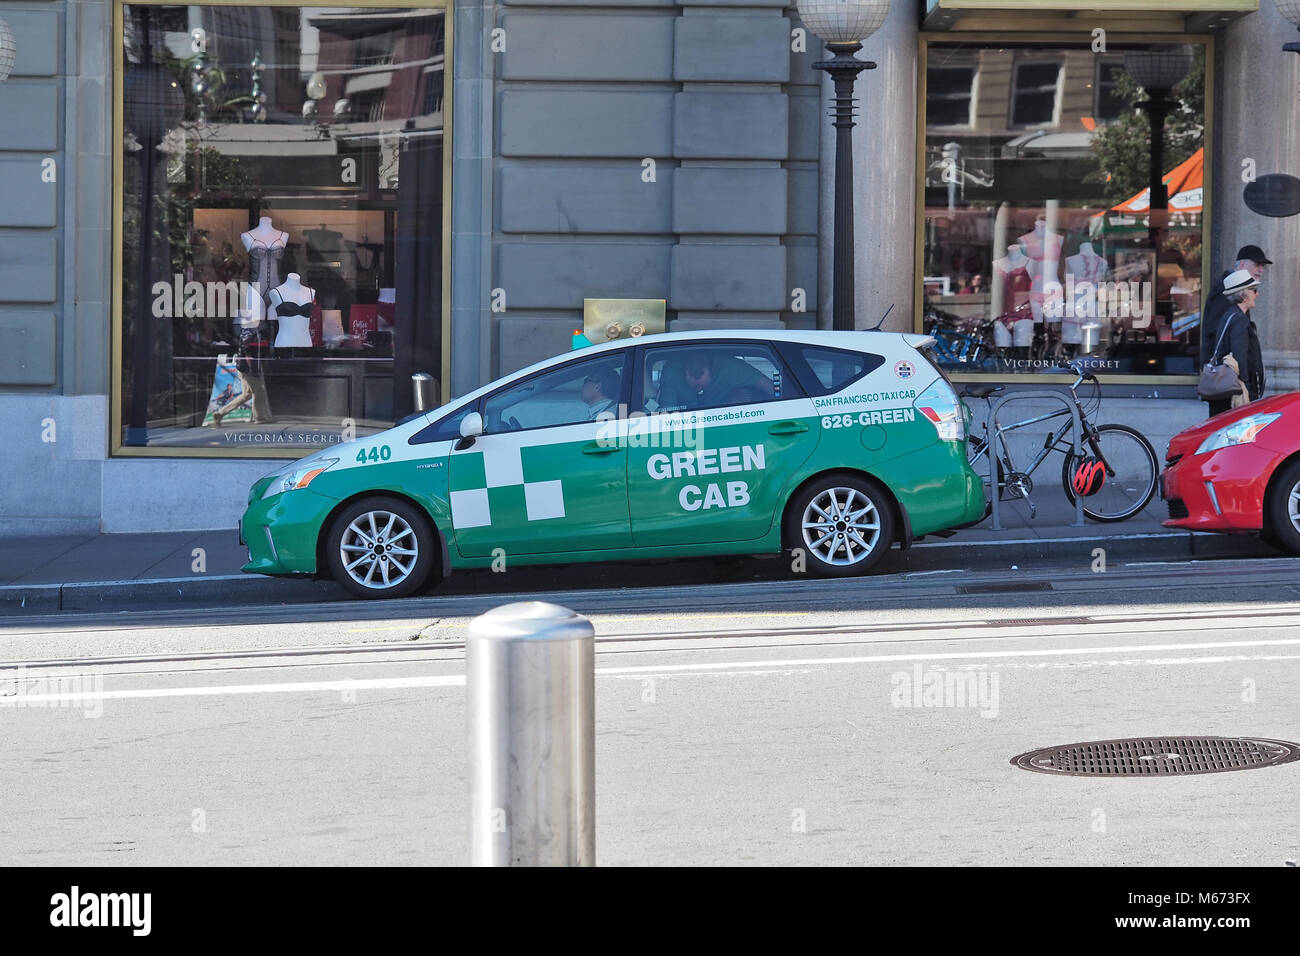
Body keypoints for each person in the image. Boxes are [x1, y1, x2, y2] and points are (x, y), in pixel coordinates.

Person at [1200, 244, 1271, 368]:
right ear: (1242, 264)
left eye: (1263, 266)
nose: (1261, 270)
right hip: (1226, 373)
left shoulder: (1235, 286)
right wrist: (1238, 372)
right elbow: (1216, 332)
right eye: (1257, 264)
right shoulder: (1228, 288)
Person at [1206, 269, 1265, 418]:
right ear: (1243, 294)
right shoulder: (1239, 319)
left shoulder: (1230, 315)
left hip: (1225, 389)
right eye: (1254, 290)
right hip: (1234, 392)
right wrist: (1246, 389)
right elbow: (1239, 356)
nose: (1257, 294)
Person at [683, 351, 774, 407]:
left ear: (712, 372)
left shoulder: (732, 369)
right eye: (694, 386)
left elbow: (771, 388)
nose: (698, 389)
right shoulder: (671, 375)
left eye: (701, 386)